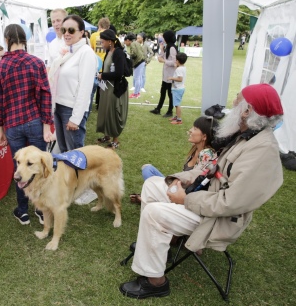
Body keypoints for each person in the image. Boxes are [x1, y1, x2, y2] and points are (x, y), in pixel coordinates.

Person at [120, 83, 284, 300]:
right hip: (205, 201)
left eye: (238, 99)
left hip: (219, 219)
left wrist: (186, 198)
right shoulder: (245, 134)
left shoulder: (262, 151)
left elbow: (230, 203)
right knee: (153, 184)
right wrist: (178, 180)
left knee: (154, 213)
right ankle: (162, 247)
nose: (232, 103)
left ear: (247, 111)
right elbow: (208, 168)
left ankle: (155, 282)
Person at [0, 24, 54, 226]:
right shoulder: (36, 63)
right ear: (24, 39)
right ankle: (41, 210)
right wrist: (46, 126)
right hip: (34, 121)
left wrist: (0, 130)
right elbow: (45, 96)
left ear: (7, 39)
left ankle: (23, 211)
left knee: (20, 170)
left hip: (13, 125)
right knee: (39, 168)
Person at [130, 116, 217, 204]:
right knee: (147, 168)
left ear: (204, 136)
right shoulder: (195, 148)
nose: (190, 130)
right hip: (178, 185)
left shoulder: (207, 154)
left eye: (195, 128)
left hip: (183, 193)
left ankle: (150, 198)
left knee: (151, 182)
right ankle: (153, 197)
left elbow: (196, 182)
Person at [48, 14, 96, 153]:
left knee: (74, 154)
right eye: (64, 30)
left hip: (71, 109)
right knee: (63, 151)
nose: (66, 34)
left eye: (71, 30)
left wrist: (76, 118)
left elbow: (85, 88)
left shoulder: (85, 52)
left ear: (81, 32)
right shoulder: (66, 51)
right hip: (59, 106)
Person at [95, 29, 129, 150]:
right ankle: (106, 135)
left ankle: (116, 140)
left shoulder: (118, 53)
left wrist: (103, 75)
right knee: (105, 111)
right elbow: (108, 69)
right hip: (107, 87)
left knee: (113, 113)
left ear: (110, 41)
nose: (101, 44)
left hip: (115, 88)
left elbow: (119, 73)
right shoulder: (109, 51)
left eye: (102, 42)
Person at [150, 30, 177, 117]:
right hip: (166, 75)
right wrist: (161, 49)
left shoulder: (172, 48)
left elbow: (174, 62)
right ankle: (158, 108)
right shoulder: (167, 47)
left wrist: (164, 61)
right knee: (163, 92)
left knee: (170, 93)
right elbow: (161, 57)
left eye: (164, 38)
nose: (163, 39)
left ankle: (170, 111)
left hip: (171, 75)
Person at [89, 17, 110, 111]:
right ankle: (101, 105)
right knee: (104, 88)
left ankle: (90, 105)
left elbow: (91, 50)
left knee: (92, 88)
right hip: (107, 66)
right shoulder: (113, 36)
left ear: (99, 25)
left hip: (95, 66)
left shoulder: (93, 35)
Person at [167, 52, 188, 125]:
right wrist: (176, 67)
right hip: (179, 88)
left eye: (176, 60)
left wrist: (171, 78)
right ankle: (176, 117)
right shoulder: (182, 68)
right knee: (176, 104)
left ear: (178, 61)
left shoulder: (179, 69)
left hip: (177, 89)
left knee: (177, 104)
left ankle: (179, 120)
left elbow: (180, 79)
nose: (175, 61)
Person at [124, 33, 145, 99]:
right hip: (141, 61)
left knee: (137, 78)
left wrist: (128, 54)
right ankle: (137, 92)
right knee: (138, 78)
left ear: (127, 40)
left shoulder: (132, 44)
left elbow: (134, 54)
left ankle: (135, 93)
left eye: (125, 42)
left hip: (138, 62)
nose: (125, 43)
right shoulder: (137, 43)